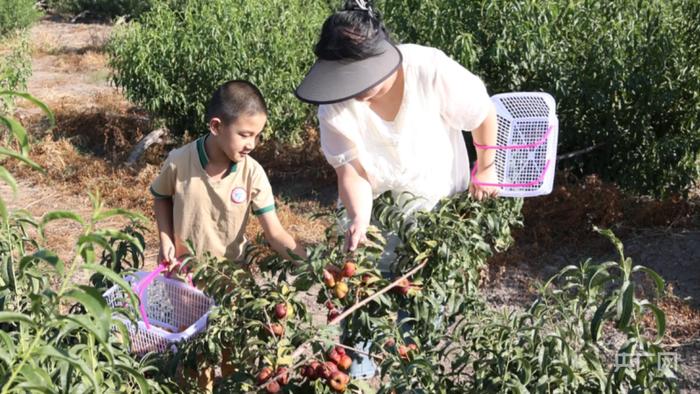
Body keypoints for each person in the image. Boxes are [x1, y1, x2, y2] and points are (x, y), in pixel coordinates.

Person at [294, 0, 500, 379]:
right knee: (360, 322)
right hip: (376, 223)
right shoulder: (334, 107)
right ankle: (357, 381)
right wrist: (359, 217)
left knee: (418, 326)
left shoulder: (428, 69)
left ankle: (413, 383)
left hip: (436, 215)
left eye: (359, 79)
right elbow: (352, 172)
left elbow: (482, 114)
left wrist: (485, 168)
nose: (354, 92)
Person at [151, 79, 306, 266]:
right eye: (245, 135)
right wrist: (165, 240)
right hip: (184, 277)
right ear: (216, 127)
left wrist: (312, 265)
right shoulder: (180, 161)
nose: (251, 144)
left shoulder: (252, 173)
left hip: (231, 281)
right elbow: (161, 197)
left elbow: (275, 234)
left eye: (257, 136)